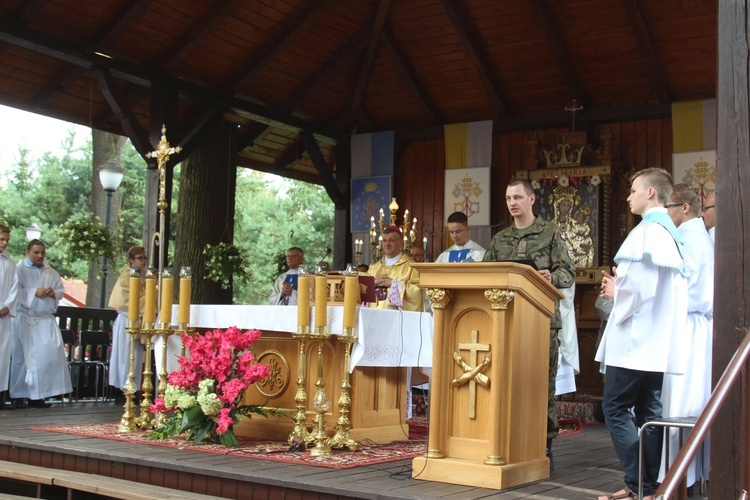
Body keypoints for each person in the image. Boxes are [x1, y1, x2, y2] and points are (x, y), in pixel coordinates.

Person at [594, 168, 689, 500]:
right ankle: (646, 488)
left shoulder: (648, 232)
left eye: (633, 190)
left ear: (651, 193)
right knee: (649, 412)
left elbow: (639, 288)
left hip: (635, 342)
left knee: (615, 408)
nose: (628, 196)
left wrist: (615, 289)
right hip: (656, 342)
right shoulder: (669, 233)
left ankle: (639, 483)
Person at [482, 178, 575, 469]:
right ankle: (503, 438)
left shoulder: (549, 233)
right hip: (504, 321)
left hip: (541, 322)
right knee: (505, 380)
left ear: (532, 199)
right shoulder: (500, 239)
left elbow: (568, 273)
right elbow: (484, 274)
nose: (512, 203)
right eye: (509, 198)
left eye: (518, 197)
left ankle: (543, 444)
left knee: (539, 384)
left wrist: (551, 278)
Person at [660, 183, 713, 487]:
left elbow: (681, 288)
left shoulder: (688, 241)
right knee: (689, 399)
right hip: (695, 325)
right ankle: (688, 475)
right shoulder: (698, 237)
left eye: (669, 207)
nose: (666, 213)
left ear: (684, 208)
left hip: (687, 325)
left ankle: (677, 476)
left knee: (679, 403)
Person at [9, 239, 72, 407]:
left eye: (42, 252)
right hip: (27, 319)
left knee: (46, 357)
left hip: (44, 320)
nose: (40, 256)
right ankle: (20, 395)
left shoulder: (51, 272)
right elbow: (14, 291)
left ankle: (40, 395)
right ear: (27, 252)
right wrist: (34, 292)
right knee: (24, 359)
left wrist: (52, 293)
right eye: (36, 252)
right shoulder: (18, 269)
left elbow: (60, 291)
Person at [108, 246, 147, 397]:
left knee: (135, 356)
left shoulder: (142, 275)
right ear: (131, 260)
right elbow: (127, 300)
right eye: (140, 258)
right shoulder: (126, 276)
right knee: (124, 355)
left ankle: (133, 388)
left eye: (144, 258)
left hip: (137, 320)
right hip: (126, 319)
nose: (143, 261)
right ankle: (121, 389)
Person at [368, 226, 421, 311]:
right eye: (384, 241)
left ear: (400, 243)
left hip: (398, 319)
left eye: (391, 240)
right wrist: (371, 284)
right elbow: (362, 290)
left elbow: (418, 292)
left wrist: (394, 284)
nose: (387, 244)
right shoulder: (374, 267)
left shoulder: (412, 267)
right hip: (374, 315)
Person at [0, 225, 18, 400]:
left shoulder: (9, 263)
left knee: (2, 355)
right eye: (1, 239)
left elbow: (15, 287)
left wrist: (7, 307)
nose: (4, 243)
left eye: (6, 240)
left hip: (3, 315)